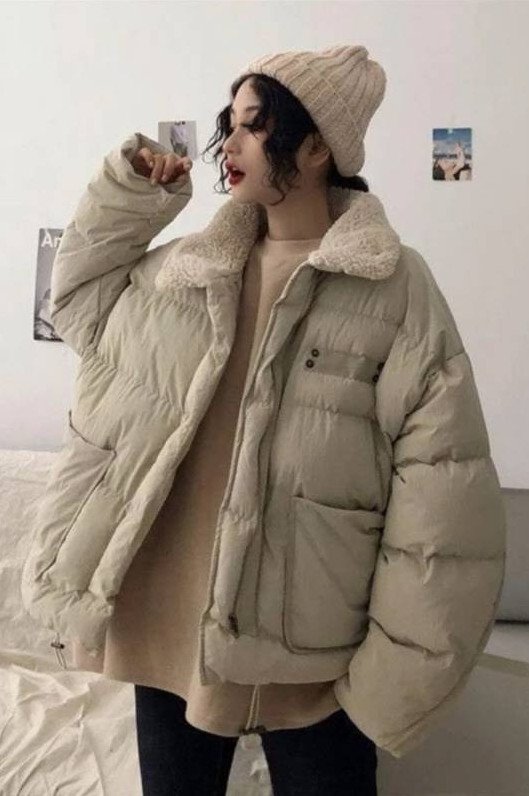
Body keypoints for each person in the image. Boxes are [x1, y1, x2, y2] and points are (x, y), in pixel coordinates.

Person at [21, 45, 506, 795]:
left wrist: (390, 682)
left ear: (317, 148)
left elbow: (441, 498)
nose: (231, 144)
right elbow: (80, 309)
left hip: (311, 654)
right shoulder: (188, 271)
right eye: (232, 124)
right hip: (166, 633)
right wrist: (133, 199)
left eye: (256, 126)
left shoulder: (394, 287)